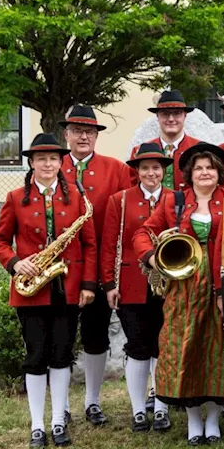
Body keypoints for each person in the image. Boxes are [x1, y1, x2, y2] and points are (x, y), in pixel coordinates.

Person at [133, 143, 224, 447]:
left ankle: (213, 419)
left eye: (210, 167)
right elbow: (142, 234)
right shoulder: (175, 201)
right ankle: (194, 419)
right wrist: (153, 259)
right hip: (184, 289)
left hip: (223, 287)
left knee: (222, 351)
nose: (205, 172)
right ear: (190, 173)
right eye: (199, 168)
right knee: (185, 348)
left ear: (219, 172)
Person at [0, 133, 98, 448]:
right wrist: (14, 263)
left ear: (61, 162)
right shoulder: (14, 198)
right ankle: (37, 425)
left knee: (62, 355)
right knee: (36, 355)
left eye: (53, 158)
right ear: (31, 163)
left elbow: (89, 244)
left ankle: (58, 421)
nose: (48, 164)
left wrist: (89, 284)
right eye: (41, 159)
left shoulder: (77, 199)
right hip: (31, 290)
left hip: (66, 288)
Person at [58, 105, 131, 428]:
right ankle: (60, 405)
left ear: (97, 136)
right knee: (58, 338)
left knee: (95, 334)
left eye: (89, 131)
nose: (83, 136)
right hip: (59, 269)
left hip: (99, 267)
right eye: (77, 130)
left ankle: (92, 400)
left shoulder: (115, 169)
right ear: (66, 134)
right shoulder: (51, 164)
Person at [101, 142, 174, 434]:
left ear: (163, 171)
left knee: (163, 345)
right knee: (138, 347)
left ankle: (161, 408)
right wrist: (109, 284)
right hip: (131, 284)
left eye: (156, 168)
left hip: (169, 284)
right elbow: (109, 245)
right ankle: (137, 409)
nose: (151, 173)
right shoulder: (119, 200)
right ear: (137, 171)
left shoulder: (174, 198)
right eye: (145, 168)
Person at [130, 91, 201, 192]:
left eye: (177, 113)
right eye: (165, 114)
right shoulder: (139, 152)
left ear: (185, 115)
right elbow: (133, 190)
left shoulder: (199, 149)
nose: (171, 119)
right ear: (157, 116)